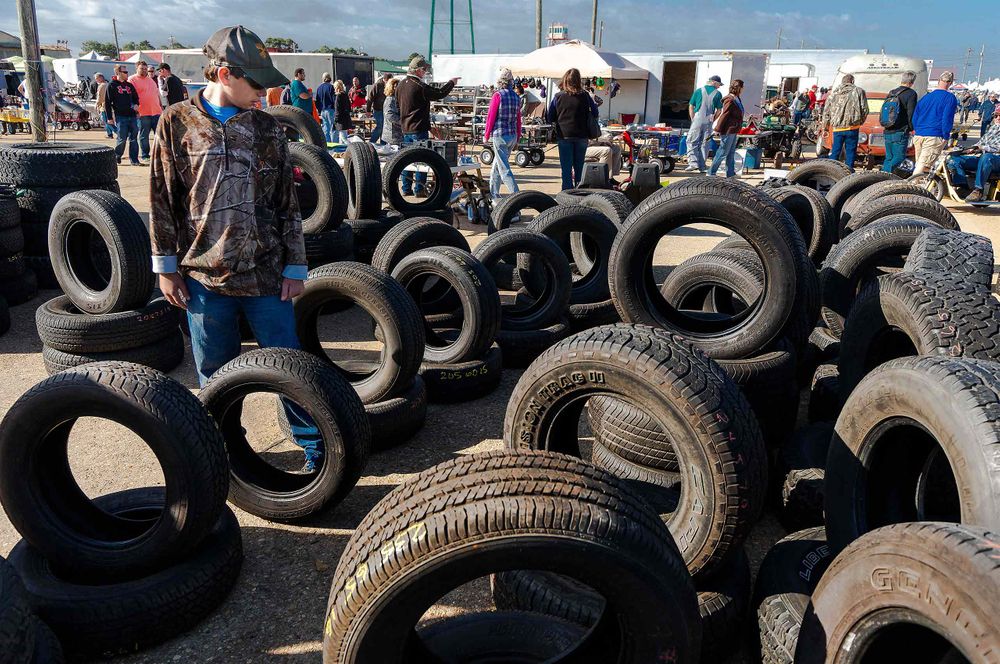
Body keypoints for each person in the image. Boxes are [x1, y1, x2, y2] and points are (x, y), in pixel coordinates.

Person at [150, 25, 321, 473]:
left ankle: (318, 455)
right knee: (216, 378)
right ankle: (228, 459)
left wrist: (296, 266)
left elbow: (287, 201)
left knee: (291, 372)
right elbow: (162, 199)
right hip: (204, 280)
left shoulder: (268, 128)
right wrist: (166, 268)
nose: (266, 91)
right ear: (225, 73)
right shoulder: (176, 122)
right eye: (257, 82)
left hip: (267, 276)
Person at [396, 56, 459, 196]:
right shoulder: (419, 86)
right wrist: (451, 83)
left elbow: (397, 107)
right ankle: (419, 190)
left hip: (405, 128)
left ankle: (406, 189)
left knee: (407, 160)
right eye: (424, 69)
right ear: (418, 71)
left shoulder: (400, 85)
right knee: (421, 161)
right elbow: (440, 93)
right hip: (419, 129)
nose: (425, 72)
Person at [547, 68, 599, 190]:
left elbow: (550, 117)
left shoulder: (558, 97)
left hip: (564, 136)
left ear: (565, 80)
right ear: (578, 80)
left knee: (566, 169)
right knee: (579, 168)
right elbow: (595, 113)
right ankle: (580, 194)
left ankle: (566, 196)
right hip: (582, 136)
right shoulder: (585, 96)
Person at [483, 67, 522, 201]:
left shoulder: (497, 95)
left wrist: (486, 135)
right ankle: (493, 193)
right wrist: (518, 137)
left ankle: (517, 197)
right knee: (497, 165)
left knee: (504, 169)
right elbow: (518, 119)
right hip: (512, 135)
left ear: (500, 81)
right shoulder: (517, 97)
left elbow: (491, 117)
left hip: (500, 135)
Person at [911, 71, 958, 176]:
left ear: (938, 81)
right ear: (950, 83)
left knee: (919, 164)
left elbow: (915, 116)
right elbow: (947, 118)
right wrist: (946, 135)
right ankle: (912, 187)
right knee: (923, 167)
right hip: (934, 134)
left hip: (919, 134)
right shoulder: (950, 98)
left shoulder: (926, 97)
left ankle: (921, 187)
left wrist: (916, 129)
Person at [949, 106, 1000, 202]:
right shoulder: (993, 127)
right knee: (954, 159)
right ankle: (963, 187)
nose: (997, 118)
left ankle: (978, 190)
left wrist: (982, 148)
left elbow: (997, 148)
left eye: (999, 116)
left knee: (986, 157)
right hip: (984, 157)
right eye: (996, 115)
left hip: (996, 159)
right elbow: (981, 142)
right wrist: (969, 149)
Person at [821, 73, 868, 169]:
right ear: (852, 81)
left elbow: (826, 113)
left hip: (837, 128)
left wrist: (825, 128)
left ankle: (831, 170)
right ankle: (848, 172)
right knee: (850, 152)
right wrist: (859, 122)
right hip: (852, 128)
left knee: (835, 151)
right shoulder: (859, 91)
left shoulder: (833, 94)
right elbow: (865, 109)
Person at [881, 70, 919, 174]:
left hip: (888, 128)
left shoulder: (892, 92)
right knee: (899, 157)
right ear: (912, 82)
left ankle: (882, 176)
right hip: (900, 131)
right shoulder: (911, 94)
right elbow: (911, 113)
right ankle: (885, 174)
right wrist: (912, 128)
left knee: (889, 157)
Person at [684, 75, 723, 173]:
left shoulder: (698, 91)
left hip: (697, 119)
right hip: (709, 120)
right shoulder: (718, 94)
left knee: (691, 140)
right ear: (714, 82)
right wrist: (713, 120)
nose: (719, 86)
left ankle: (693, 163)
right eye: (719, 84)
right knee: (705, 143)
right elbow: (719, 110)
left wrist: (693, 118)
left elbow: (691, 106)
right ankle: (702, 166)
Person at [106, 65, 141, 166]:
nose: (127, 74)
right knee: (122, 138)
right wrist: (109, 118)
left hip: (132, 115)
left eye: (127, 72)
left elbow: (136, 98)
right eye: (125, 72)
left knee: (134, 138)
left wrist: (136, 105)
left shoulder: (129, 85)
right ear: (118, 73)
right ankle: (117, 156)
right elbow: (108, 102)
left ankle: (134, 160)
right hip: (120, 116)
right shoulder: (112, 85)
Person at [710, 79, 744, 178]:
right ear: (739, 88)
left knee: (731, 152)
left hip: (734, 129)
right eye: (742, 87)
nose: (743, 89)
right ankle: (711, 172)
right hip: (728, 130)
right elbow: (724, 115)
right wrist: (717, 129)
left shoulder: (737, 98)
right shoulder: (730, 99)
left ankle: (730, 173)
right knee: (723, 152)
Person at [129, 60, 161, 163]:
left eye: (145, 69)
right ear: (136, 68)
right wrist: (135, 110)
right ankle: (145, 155)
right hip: (143, 113)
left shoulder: (150, 80)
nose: (144, 70)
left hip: (156, 111)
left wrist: (161, 107)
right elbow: (131, 97)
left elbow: (156, 95)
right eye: (141, 68)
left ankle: (159, 154)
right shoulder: (132, 79)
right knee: (144, 136)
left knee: (160, 135)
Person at [366, 72, 391, 144]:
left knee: (385, 128)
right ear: (384, 80)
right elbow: (370, 98)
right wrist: (368, 110)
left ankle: (383, 144)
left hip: (386, 110)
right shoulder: (378, 85)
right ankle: (371, 142)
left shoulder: (390, 86)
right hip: (378, 110)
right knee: (380, 127)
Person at [315, 73, 336, 144]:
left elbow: (317, 101)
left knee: (325, 129)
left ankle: (328, 145)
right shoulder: (331, 87)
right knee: (333, 129)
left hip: (323, 111)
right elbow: (334, 100)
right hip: (331, 110)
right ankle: (335, 146)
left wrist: (319, 110)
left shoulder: (319, 88)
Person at [382, 76, 402, 147]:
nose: (398, 88)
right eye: (395, 86)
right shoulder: (390, 99)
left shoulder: (396, 98)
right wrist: (402, 122)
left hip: (397, 132)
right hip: (392, 133)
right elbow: (389, 115)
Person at [94, 73, 114, 138]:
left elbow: (100, 97)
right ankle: (110, 134)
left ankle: (117, 132)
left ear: (100, 78)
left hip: (104, 106)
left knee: (107, 121)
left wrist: (97, 104)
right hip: (110, 105)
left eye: (96, 78)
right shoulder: (108, 84)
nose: (96, 80)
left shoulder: (101, 86)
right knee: (108, 121)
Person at [332, 79, 352, 144]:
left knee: (343, 138)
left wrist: (335, 120)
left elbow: (337, 109)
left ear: (336, 87)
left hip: (341, 120)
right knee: (342, 138)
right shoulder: (345, 95)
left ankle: (351, 148)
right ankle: (342, 152)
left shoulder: (338, 96)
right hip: (346, 118)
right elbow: (349, 107)